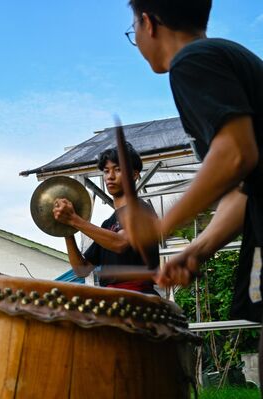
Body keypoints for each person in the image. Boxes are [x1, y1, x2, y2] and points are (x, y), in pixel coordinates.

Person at [121, 0, 263, 388]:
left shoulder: (193, 61)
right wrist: (196, 249)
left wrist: (162, 225)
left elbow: (236, 153)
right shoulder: (225, 57)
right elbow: (244, 189)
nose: (138, 39)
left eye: (134, 29)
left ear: (149, 22)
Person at [53, 145, 160, 295]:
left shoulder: (141, 210)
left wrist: (73, 220)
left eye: (117, 169)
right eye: (106, 171)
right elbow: (81, 269)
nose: (110, 176)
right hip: (113, 300)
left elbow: (120, 243)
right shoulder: (107, 224)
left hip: (140, 300)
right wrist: (66, 229)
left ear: (134, 174)